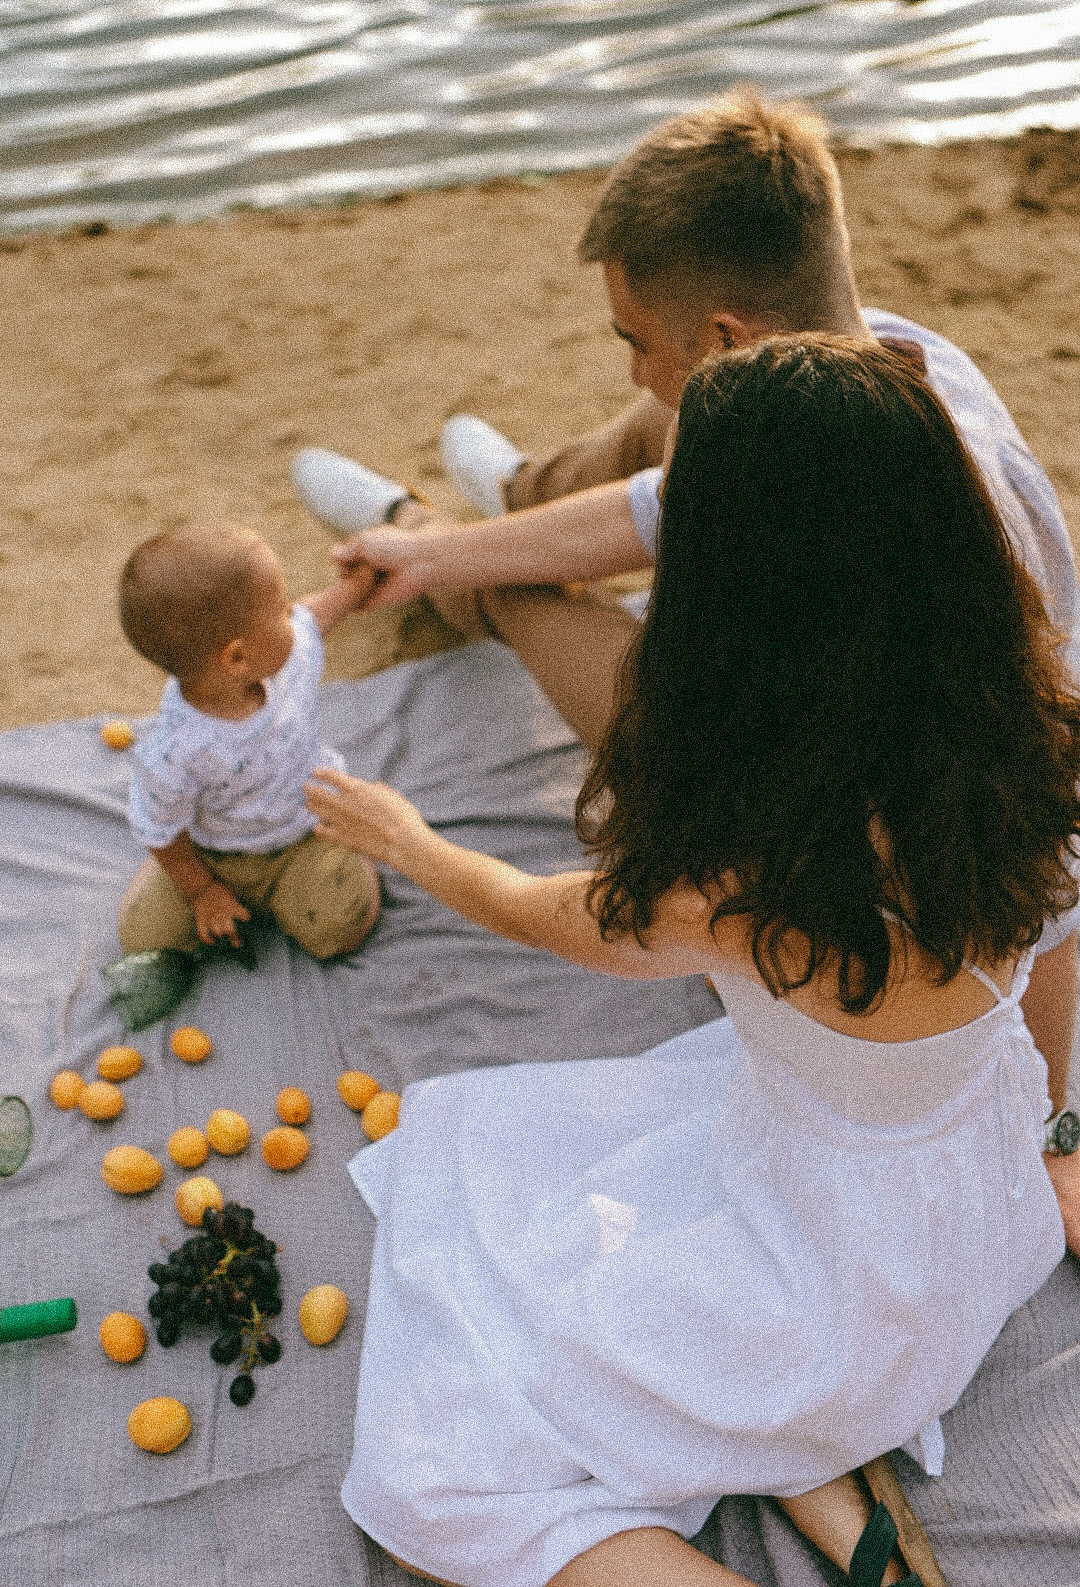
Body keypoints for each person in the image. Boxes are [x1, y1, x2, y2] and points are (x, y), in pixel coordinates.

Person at [305, 337, 1080, 1587]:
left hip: (839, 1286)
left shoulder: (751, 870)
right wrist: (1050, 1135)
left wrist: (411, 843)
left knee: (441, 1484)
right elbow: (1057, 954)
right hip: (975, 1212)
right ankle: (824, 1481)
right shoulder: (1036, 737)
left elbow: (542, 911)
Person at [292, 90, 1080, 1251]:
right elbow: (659, 494)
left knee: (529, 576)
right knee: (662, 431)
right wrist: (432, 554)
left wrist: (1060, 1128)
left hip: (784, 734)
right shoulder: (881, 358)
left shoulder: (948, 540)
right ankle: (503, 496)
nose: (629, 364)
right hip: (785, 571)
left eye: (633, 338)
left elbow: (1050, 851)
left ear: (726, 337)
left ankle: (447, 551)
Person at [115, 522, 380, 963]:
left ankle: (347, 856)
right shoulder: (174, 754)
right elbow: (160, 830)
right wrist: (201, 890)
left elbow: (316, 614)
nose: (291, 616)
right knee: (146, 943)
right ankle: (193, 885)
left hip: (304, 833)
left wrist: (360, 582)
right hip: (212, 854)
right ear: (237, 657)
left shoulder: (288, 657)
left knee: (342, 928)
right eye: (279, 609)